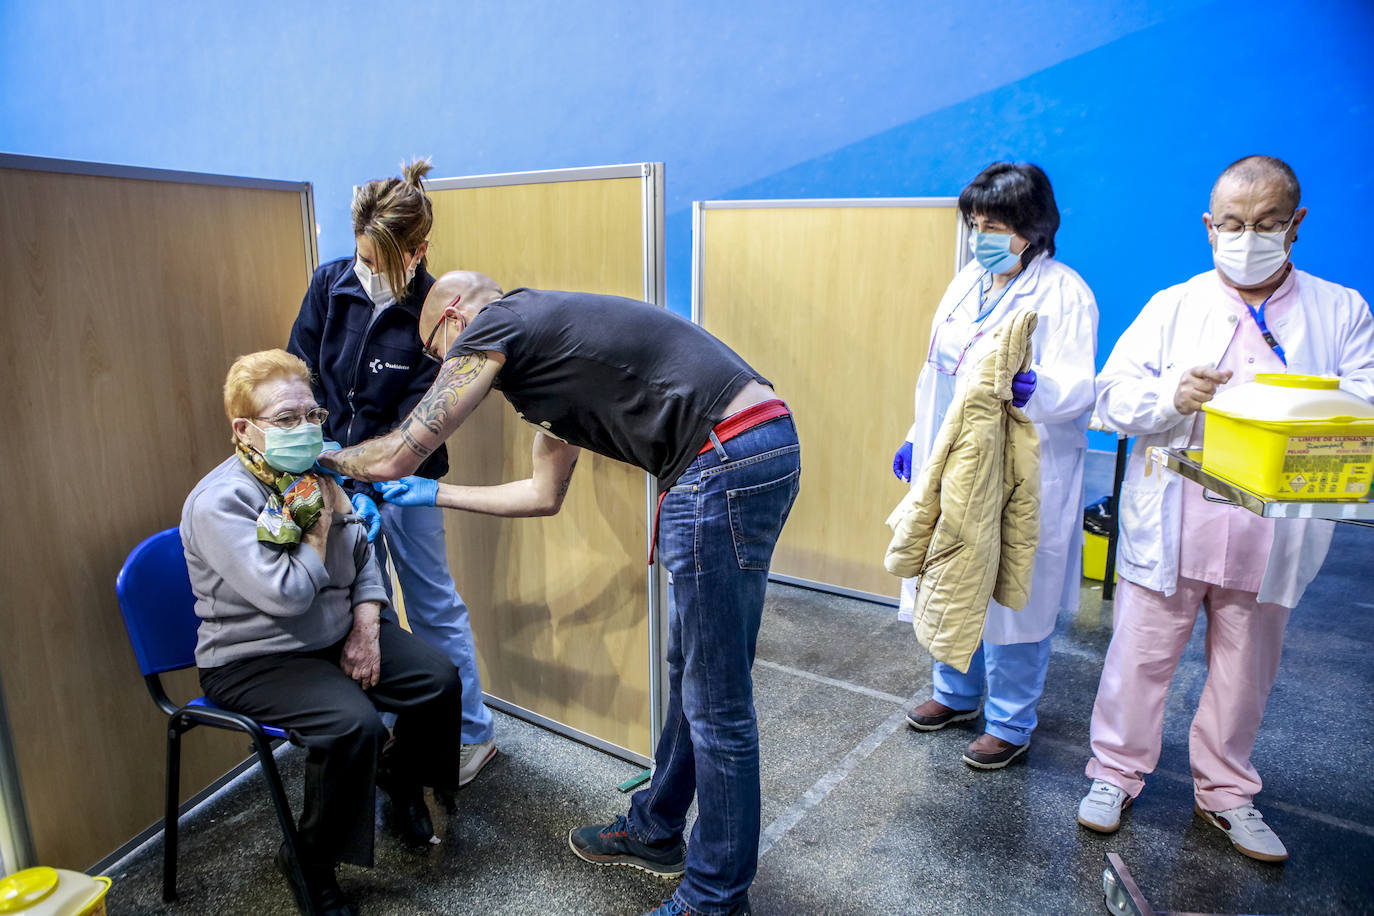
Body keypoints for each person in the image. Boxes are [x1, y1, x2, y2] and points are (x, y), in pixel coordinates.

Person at [321, 271, 800, 916]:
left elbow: (394, 457)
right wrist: (436, 494)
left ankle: (715, 898)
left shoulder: (496, 325)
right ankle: (655, 827)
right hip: (742, 449)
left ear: (455, 316)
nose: (443, 369)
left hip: (722, 460)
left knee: (719, 706)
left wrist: (327, 459)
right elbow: (543, 494)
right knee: (694, 672)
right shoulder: (549, 362)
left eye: (439, 353)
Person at [1078, 155, 1374, 862]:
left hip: (1271, 533)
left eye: (1267, 224)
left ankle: (1227, 792)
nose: (1249, 237)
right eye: (1234, 224)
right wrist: (1171, 395)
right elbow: (1109, 395)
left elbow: (1366, 405)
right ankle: (1114, 774)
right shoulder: (1172, 305)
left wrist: (1305, 405)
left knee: (1246, 673)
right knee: (1139, 658)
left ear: (1296, 225)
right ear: (1209, 227)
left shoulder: (1342, 310)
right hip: (1177, 516)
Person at [182, 349, 462, 916]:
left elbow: (363, 560)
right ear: (245, 429)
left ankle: (398, 779)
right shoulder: (221, 502)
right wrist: (324, 525)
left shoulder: (315, 475)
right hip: (255, 657)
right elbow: (284, 597)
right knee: (351, 726)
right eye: (286, 419)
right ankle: (309, 858)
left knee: (438, 680)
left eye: (313, 415)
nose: (308, 430)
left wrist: (366, 625)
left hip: (337, 632)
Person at [287, 158, 497, 786]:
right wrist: (322, 458)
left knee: (431, 603)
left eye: (381, 260)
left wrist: (366, 477)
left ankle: (471, 735)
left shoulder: (435, 314)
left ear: (418, 250)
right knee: (360, 607)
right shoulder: (331, 285)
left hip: (406, 480)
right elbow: (303, 372)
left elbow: (416, 424)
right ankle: (385, 729)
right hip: (333, 469)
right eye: (361, 256)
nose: (368, 271)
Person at [892, 162, 1098, 769]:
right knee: (952, 567)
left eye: (995, 224)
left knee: (1013, 590)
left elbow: (1081, 387)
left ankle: (1010, 721)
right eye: (976, 223)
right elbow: (937, 371)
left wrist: (1039, 388)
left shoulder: (1065, 292)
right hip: (952, 457)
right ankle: (954, 694)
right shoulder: (965, 284)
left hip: (1019, 468)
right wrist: (915, 436)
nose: (981, 235)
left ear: (1033, 227)